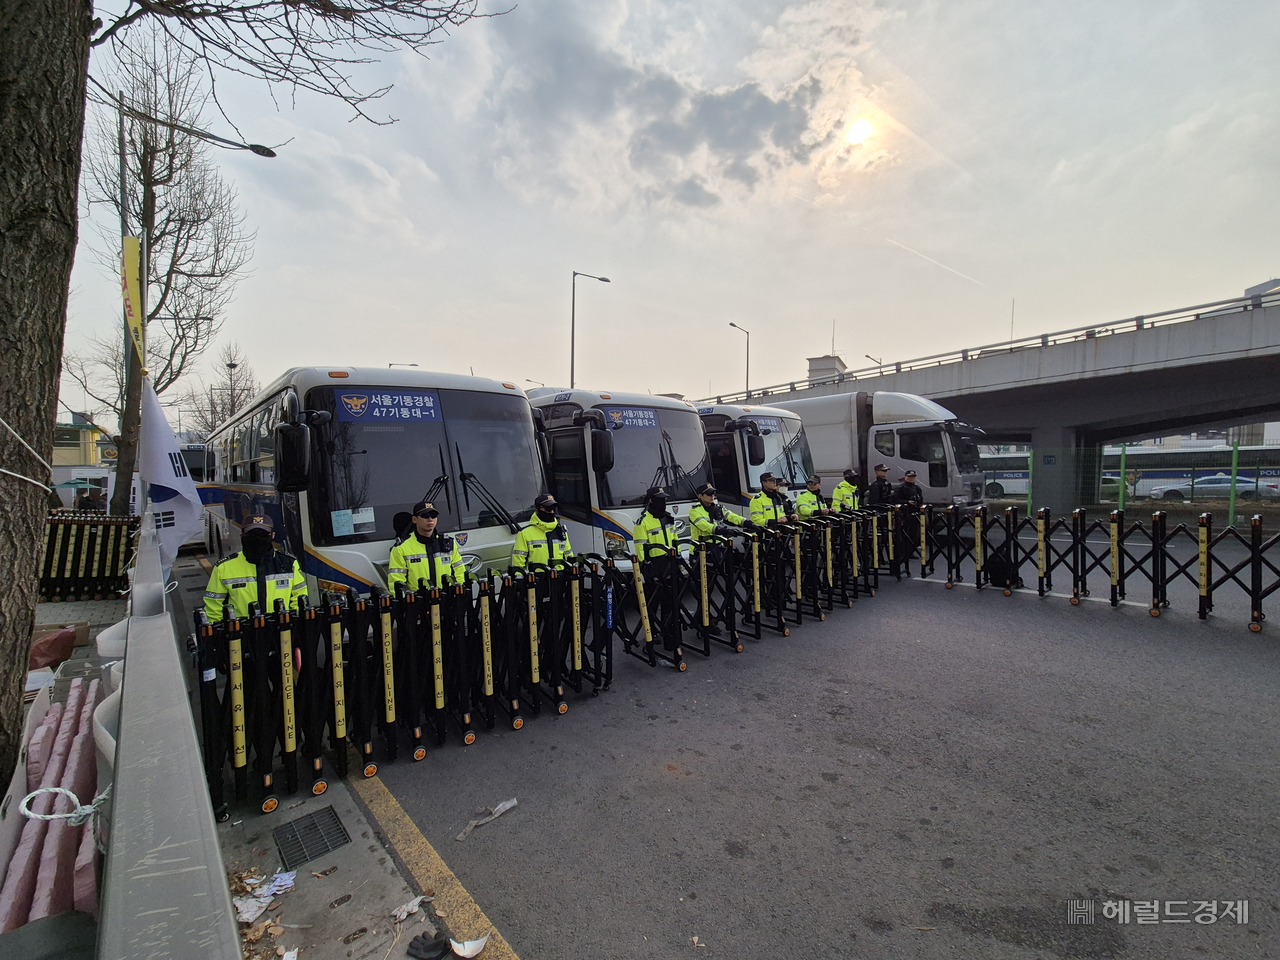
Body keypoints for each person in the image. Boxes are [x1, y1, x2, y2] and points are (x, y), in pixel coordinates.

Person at [204, 514, 307, 621]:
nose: (257, 538)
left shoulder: (289, 564)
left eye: (263, 534)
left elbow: (299, 601)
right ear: (241, 536)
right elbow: (213, 610)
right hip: (241, 634)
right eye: (251, 535)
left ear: (273, 536)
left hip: (281, 632)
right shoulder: (223, 568)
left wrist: (293, 628)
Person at [388, 500, 468, 592]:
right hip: (418, 602)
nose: (430, 519)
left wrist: (460, 594)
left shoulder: (448, 543)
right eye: (425, 515)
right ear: (414, 519)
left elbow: (460, 573)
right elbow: (396, 582)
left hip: (446, 599)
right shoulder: (401, 548)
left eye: (433, 515)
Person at [511, 494, 572, 569]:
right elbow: (518, 564)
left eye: (553, 508)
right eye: (548, 508)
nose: (552, 511)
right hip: (536, 579)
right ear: (537, 510)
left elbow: (569, 558)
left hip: (559, 578)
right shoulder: (524, 534)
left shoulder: (561, 532)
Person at [633, 486, 680, 553]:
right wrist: (644, 562)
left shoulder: (668, 517)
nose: (662, 502)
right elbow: (640, 546)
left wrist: (678, 554)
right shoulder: (643, 522)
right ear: (651, 500)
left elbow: (675, 538)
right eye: (659, 499)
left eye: (664, 499)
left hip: (671, 557)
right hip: (654, 561)